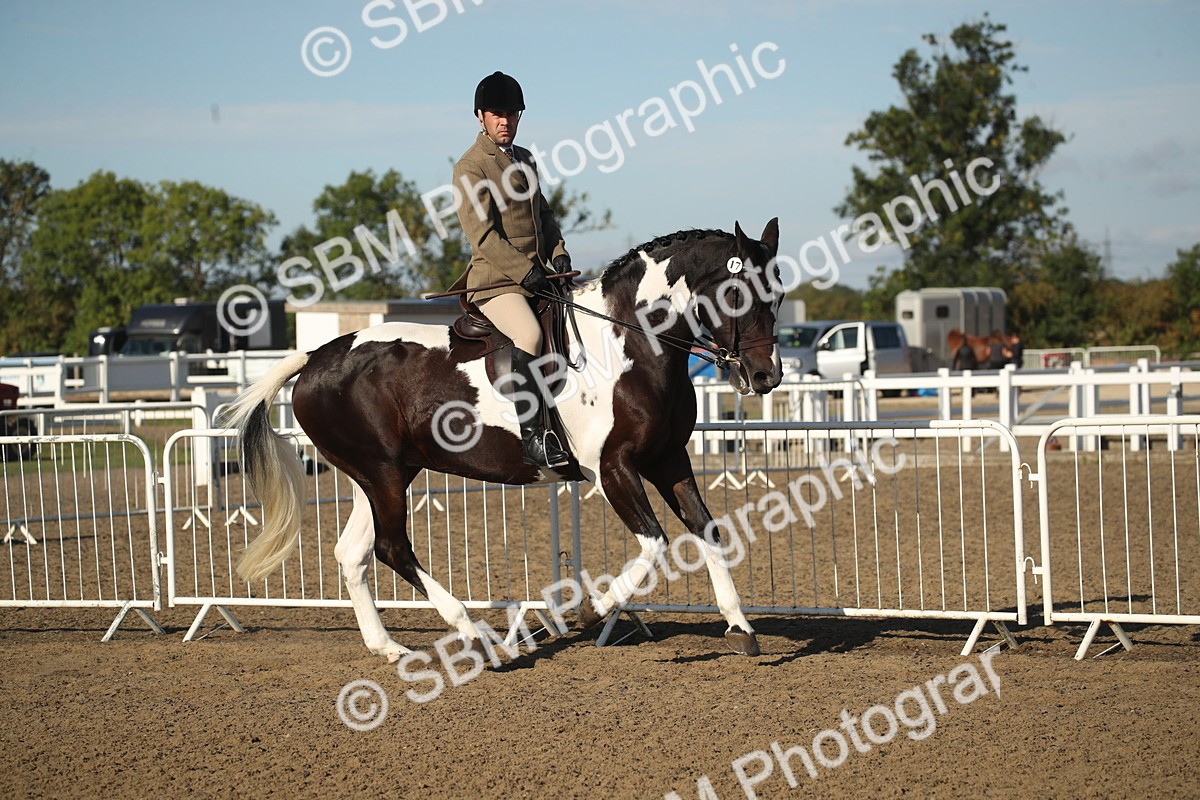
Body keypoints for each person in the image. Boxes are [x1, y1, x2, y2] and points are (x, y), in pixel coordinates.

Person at [447, 71, 572, 470]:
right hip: (497, 282)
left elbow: (545, 215)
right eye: (497, 114)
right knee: (530, 333)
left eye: (512, 114)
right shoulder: (471, 167)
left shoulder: (526, 159)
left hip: (538, 276)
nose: (506, 121)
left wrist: (559, 253)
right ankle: (533, 437)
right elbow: (482, 236)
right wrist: (525, 272)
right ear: (480, 117)